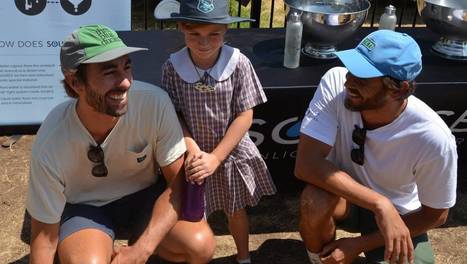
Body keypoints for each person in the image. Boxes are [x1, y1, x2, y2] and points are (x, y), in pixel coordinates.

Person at [26, 24, 215, 264]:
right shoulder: (52, 139)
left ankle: (141, 241)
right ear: (76, 83)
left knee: (200, 245)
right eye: (109, 72)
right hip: (85, 208)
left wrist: (142, 249)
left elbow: (177, 185)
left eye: (127, 66)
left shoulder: (154, 103)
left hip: (144, 198)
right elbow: (43, 238)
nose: (125, 82)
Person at [295, 30, 457, 264]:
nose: (348, 81)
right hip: (347, 199)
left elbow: (437, 215)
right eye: (351, 69)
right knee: (315, 199)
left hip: (400, 212)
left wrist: (360, 244)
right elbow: (306, 165)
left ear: (399, 89)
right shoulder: (334, 81)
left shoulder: (434, 138)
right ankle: (320, 260)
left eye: (363, 77)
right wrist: (380, 204)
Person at [156, 0, 277, 263]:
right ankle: (199, 253)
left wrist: (217, 157)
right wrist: (193, 149)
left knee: (236, 210)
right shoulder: (172, 67)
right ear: (181, 28)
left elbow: (245, 115)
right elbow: (173, 113)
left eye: (214, 34)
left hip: (229, 151)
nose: (204, 42)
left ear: (225, 32)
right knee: (195, 211)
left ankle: (243, 258)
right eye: (194, 34)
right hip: (192, 154)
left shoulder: (239, 63)